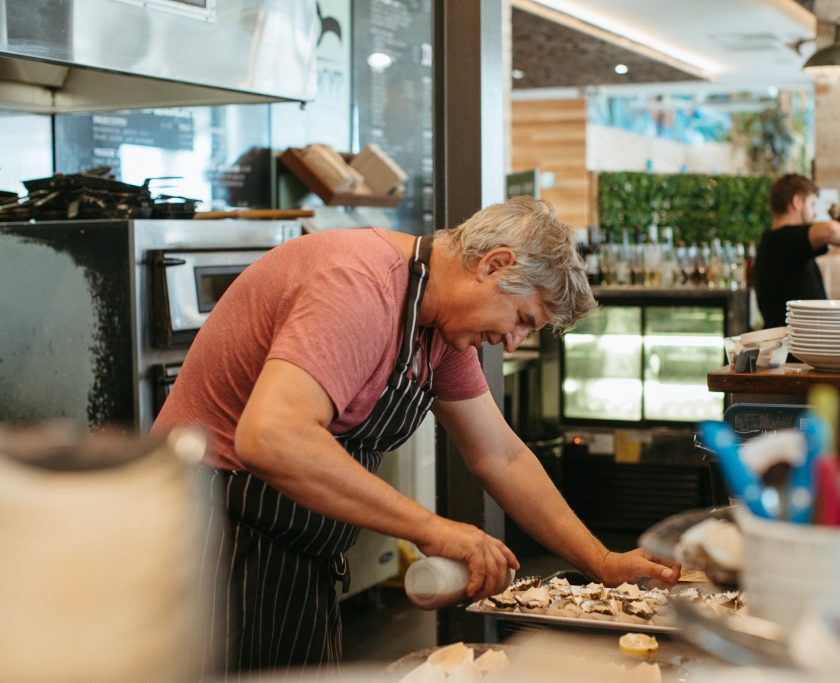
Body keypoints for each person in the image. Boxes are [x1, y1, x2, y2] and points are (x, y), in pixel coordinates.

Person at [152, 196, 680, 674]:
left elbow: (501, 456)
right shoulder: (359, 285)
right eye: (522, 318)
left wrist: (603, 562)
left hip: (292, 549)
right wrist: (431, 528)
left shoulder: (440, 330)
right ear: (493, 265)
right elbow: (271, 437)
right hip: (215, 536)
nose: (512, 343)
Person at [753, 174, 840, 329]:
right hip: (791, 350)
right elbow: (830, 230)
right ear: (797, 202)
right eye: (812, 204)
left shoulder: (785, 245)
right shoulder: (781, 239)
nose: (815, 213)